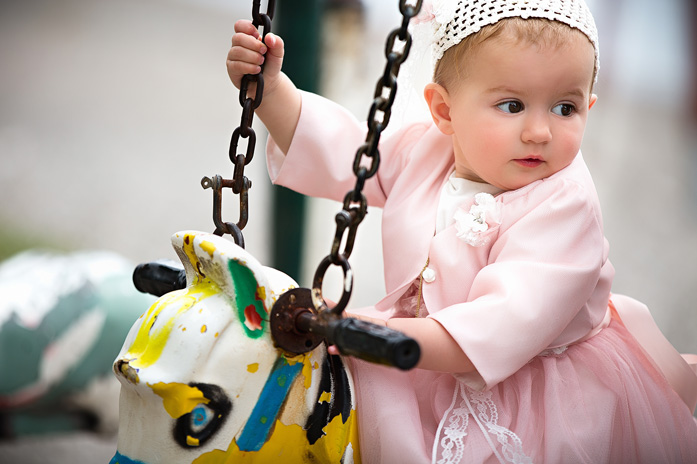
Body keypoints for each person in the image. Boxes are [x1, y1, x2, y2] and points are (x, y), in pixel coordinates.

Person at [227, 0, 697, 462]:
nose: (540, 131)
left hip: (527, 387)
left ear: (589, 107)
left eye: (565, 108)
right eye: (512, 105)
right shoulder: (429, 149)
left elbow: (502, 322)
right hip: (420, 352)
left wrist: (368, 331)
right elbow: (348, 155)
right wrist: (270, 92)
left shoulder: (567, 206)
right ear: (445, 112)